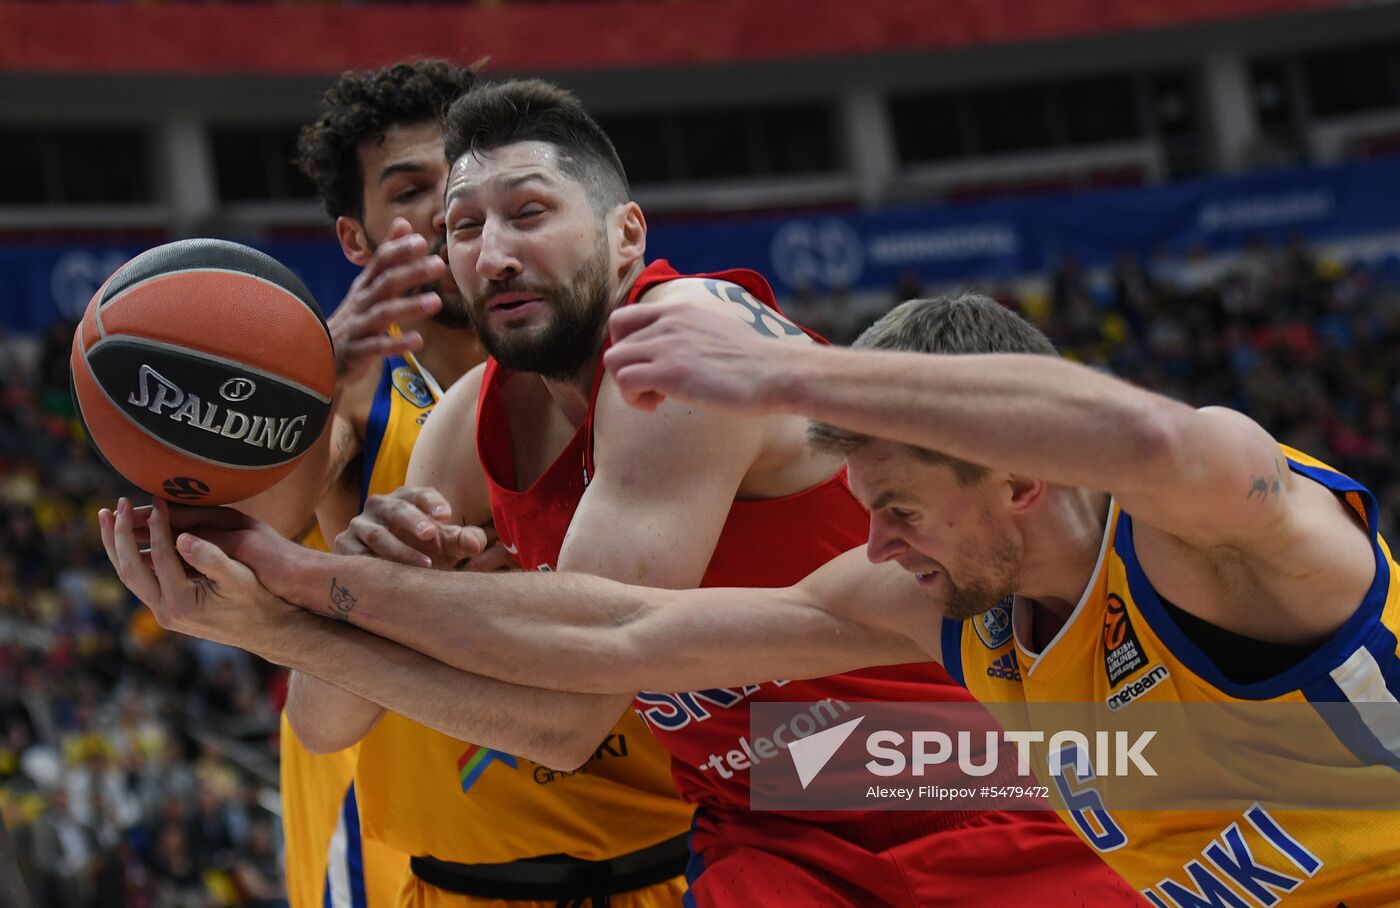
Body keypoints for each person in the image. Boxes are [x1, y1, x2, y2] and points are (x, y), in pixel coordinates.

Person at [100, 82, 1142, 906]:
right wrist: (324, 597)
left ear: (626, 236)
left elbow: (575, 700)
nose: (491, 249)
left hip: (953, 766)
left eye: (529, 212)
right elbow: (331, 724)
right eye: (463, 226)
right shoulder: (468, 419)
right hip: (767, 803)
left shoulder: (678, 346)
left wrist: (307, 596)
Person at [213, 290, 1400, 904]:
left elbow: (1148, 432)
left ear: (1023, 477)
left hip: (885, 772)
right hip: (791, 792)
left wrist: (785, 370)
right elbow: (624, 632)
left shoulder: (1216, 541)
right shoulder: (940, 602)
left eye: (896, 502)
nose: (871, 536)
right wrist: (307, 593)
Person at [242, 62, 695, 908]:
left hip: (664, 847)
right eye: (414, 192)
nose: (457, 217)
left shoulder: (641, 375)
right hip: (441, 859)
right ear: (356, 238)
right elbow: (253, 524)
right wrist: (319, 373)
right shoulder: (353, 391)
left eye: (465, 181)